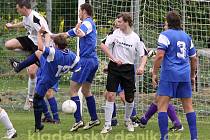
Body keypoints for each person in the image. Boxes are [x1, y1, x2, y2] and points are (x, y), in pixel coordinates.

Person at [11, 27, 81, 131]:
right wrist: (65, 69)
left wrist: (39, 33)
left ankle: (38, 125)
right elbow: (77, 68)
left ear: (56, 45)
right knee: (38, 54)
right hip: (54, 74)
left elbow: (40, 47)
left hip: (47, 75)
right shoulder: (73, 56)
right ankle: (19, 66)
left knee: (37, 98)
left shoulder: (54, 52)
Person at [53, 3, 100, 132]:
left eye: (79, 11)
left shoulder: (87, 23)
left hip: (86, 61)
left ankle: (78, 120)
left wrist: (78, 29)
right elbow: (65, 35)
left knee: (73, 90)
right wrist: (50, 35)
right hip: (92, 61)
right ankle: (94, 118)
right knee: (86, 91)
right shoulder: (84, 24)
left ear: (84, 11)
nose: (78, 13)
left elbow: (80, 34)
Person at [152, 11, 197, 140]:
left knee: (162, 106)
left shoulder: (165, 35)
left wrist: (154, 72)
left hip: (169, 75)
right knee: (188, 107)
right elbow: (194, 58)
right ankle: (194, 138)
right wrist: (192, 75)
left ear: (168, 22)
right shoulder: (187, 37)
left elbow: (160, 55)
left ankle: (164, 137)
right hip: (184, 75)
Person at [100, 12, 146, 134]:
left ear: (126, 22)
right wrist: (114, 59)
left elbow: (144, 54)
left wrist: (141, 66)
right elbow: (103, 45)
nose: (117, 23)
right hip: (114, 67)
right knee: (110, 95)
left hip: (128, 69)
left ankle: (127, 120)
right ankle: (107, 124)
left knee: (129, 98)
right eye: (117, 21)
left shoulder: (136, 38)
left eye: (120, 22)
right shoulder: (115, 33)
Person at [5, 0, 51, 110]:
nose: (17, 10)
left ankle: (30, 99)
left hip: (39, 46)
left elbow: (47, 34)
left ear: (24, 8)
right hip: (30, 40)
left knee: (31, 72)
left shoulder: (36, 18)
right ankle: (28, 57)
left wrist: (46, 49)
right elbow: (24, 23)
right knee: (8, 44)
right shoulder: (26, 16)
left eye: (18, 8)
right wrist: (12, 26)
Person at [138, 22, 184, 132]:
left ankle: (177, 125)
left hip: (171, 73)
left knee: (162, 99)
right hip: (180, 72)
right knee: (159, 97)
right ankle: (144, 120)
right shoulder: (182, 37)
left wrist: (154, 71)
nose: (164, 27)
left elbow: (161, 55)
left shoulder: (167, 36)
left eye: (166, 24)